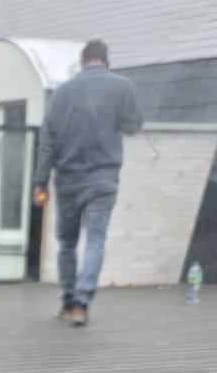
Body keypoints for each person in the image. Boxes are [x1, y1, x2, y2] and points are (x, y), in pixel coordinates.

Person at [32, 39, 143, 327]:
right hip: (103, 180)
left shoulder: (61, 93)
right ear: (106, 60)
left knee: (67, 244)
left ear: (82, 61)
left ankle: (68, 301)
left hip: (68, 180)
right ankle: (82, 302)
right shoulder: (121, 86)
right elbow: (133, 125)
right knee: (96, 240)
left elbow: (47, 141)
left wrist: (40, 182)